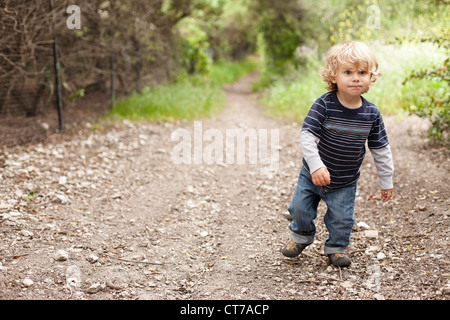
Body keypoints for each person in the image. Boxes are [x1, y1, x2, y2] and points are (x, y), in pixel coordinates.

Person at [281, 41, 394, 267]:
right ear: (334, 76)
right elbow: (307, 135)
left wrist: (386, 179)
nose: (355, 78)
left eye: (362, 72)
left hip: (345, 180)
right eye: (348, 72)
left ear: (371, 77)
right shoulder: (325, 104)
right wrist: (316, 166)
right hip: (312, 174)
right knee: (299, 209)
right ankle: (301, 237)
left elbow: (380, 148)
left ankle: (336, 248)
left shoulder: (371, 113)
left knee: (342, 219)